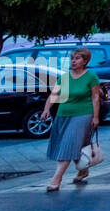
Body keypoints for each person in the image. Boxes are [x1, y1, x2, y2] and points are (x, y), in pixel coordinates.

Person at [42, 47, 100, 191]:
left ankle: (56, 179)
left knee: (68, 145)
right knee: (77, 145)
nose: (73, 61)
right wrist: (46, 109)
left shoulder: (91, 77)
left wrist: (96, 117)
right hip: (63, 115)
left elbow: (95, 97)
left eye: (77, 58)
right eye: (72, 58)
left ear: (85, 61)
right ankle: (83, 169)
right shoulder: (65, 77)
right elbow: (53, 95)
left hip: (83, 114)